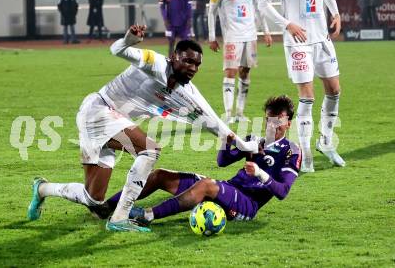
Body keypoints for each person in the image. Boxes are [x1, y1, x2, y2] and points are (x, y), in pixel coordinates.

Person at [27, 24, 259, 232]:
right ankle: (120, 217)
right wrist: (129, 38)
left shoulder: (187, 92)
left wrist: (242, 144)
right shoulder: (155, 62)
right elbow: (118, 50)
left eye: (197, 64)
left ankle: (42, 189)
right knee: (150, 150)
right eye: (187, 61)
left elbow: (214, 123)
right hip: (98, 110)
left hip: (108, 122)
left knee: (93, 199)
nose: (192, 68)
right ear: (173, 57)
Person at [99, 95, 301, 226]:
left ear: (288, 123)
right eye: (269, 119)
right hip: (227, 189)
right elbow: (223, 162)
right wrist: (225, 141)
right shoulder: (253, 141)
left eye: (279, 120)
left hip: (247, 205)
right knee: (161, 175)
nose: (273, 124)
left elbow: (282, 192)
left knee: (206, 185)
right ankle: (108, 206)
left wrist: (259, 172)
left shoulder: (291, 151)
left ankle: (147, 216)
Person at [259, 0, 346, 172]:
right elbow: (262, 4)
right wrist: (287, 24)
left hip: (322, 38)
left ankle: (326, 143)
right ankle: (306, 157)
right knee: (307, 96)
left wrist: (335, 13)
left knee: (335, 91)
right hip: (298, 42)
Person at [208, 0, 273, 124]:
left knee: (245, 73)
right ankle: (227, 115)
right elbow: (211, 12)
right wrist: (212, 37)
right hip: (232, 36)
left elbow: (258, 8)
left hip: (250, 36)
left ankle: (239, 113)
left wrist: (266, 31)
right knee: (230, 72)